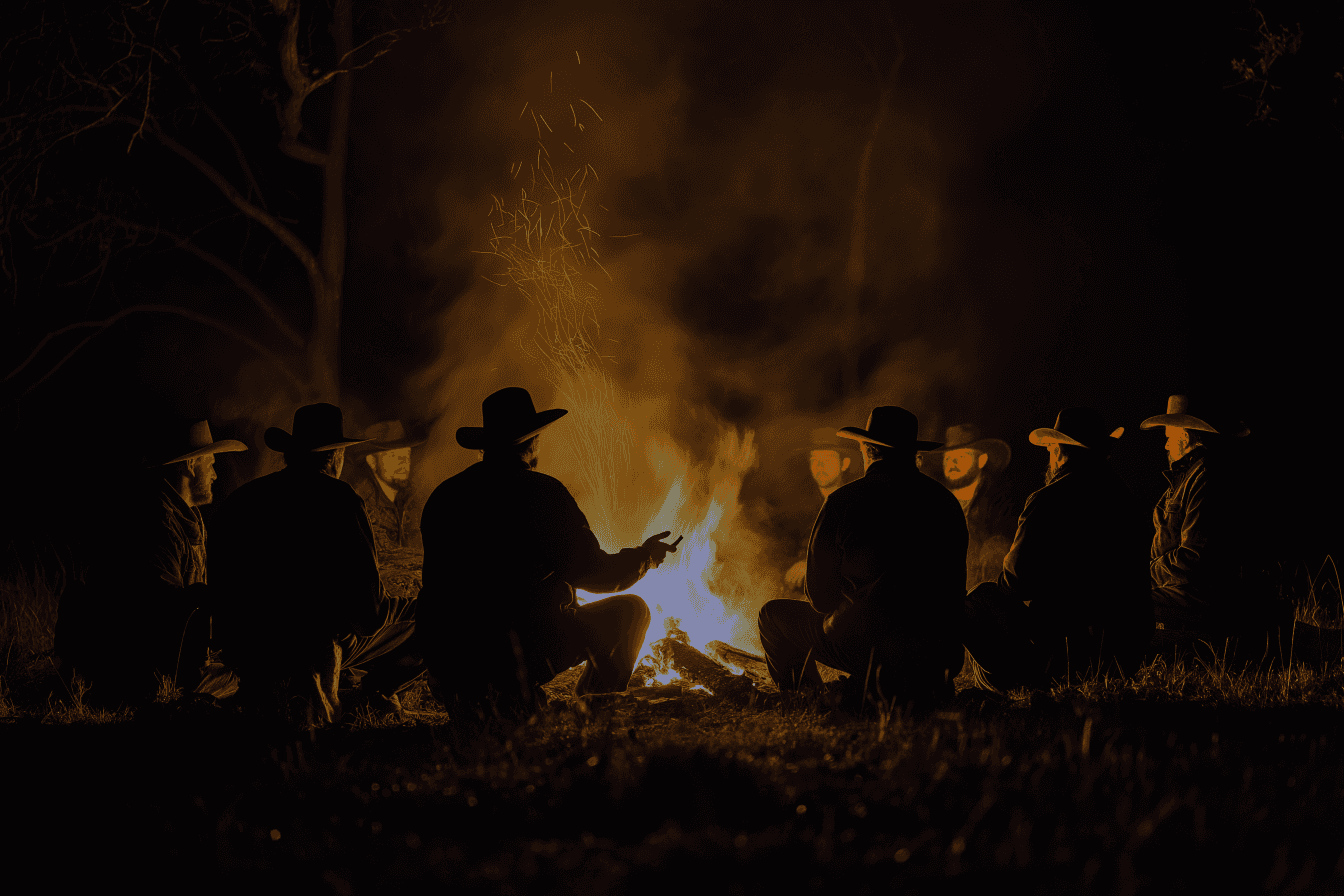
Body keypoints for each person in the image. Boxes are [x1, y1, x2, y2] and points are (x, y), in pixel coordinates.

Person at [416, 387, 677, 712]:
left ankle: (492, 700)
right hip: (509, 653)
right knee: (631, 613)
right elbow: (595, 575)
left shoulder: (445, 496)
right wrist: (645, 557)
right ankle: (591, 707)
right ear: (531, 441)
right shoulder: (541, 494)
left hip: (449, 660)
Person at [210, 403, 420, 728]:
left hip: (245, 646)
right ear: (334, 456)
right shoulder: (341, 500)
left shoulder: (244, 499)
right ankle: (375, 693)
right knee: (434, 615)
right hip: (310, 645)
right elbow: (368, 616)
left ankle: (336, 688)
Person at [757, 406, 968, 711]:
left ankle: (807, 699)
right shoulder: (945, 502)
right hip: (939, 655)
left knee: (772, 616)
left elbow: (820, 597)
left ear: (868, 450)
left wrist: (851, 601)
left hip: (874, 650)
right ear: (912, 453)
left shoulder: (844, 501)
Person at [53, 419, 246, 706]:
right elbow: (159, 607)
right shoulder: (156, 521)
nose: (216, 474)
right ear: (191, 465)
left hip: (160, 659)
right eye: (211, 463)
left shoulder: (183, 515)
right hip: (143, 667)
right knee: (247, 677)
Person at [961, 408, 1152, 691]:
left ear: (1060, 450)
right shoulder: (1129, 501)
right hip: (1125, 653)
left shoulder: (1047, 499)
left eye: (1050, 448)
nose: (1048, 457)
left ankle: (1007, 682)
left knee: (979, 598)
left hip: (1067, 653)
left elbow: (1016, 582)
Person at [1140, 394, 1281, 657]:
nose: (1166, 444)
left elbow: (1194, 557)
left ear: (1185, 435)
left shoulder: (1206, 476)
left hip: (1201, 595)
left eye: (1169, 435)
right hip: (1182, 589)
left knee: (1117, 605)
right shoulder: (1186, 478)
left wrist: (1142, 578)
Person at [919, 424, 1016, 589]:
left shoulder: (1001, 510)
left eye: (962, 456)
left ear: (981, 460)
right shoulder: (930, 504)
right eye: (948, 457)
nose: (953, 463)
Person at [345, 419, 425, 602]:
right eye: (392, 455)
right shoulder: (358, 505)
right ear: (372, 461)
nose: (403, 461)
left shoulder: (416, 501)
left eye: (406, 453)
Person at [783, 427, 856, 592]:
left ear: (844, 464)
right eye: (814, 459)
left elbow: (857, 560)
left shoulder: (856, 506)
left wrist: (810, 565)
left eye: (828, 458)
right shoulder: (799, 508)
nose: (819, 465)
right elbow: (782, 548)